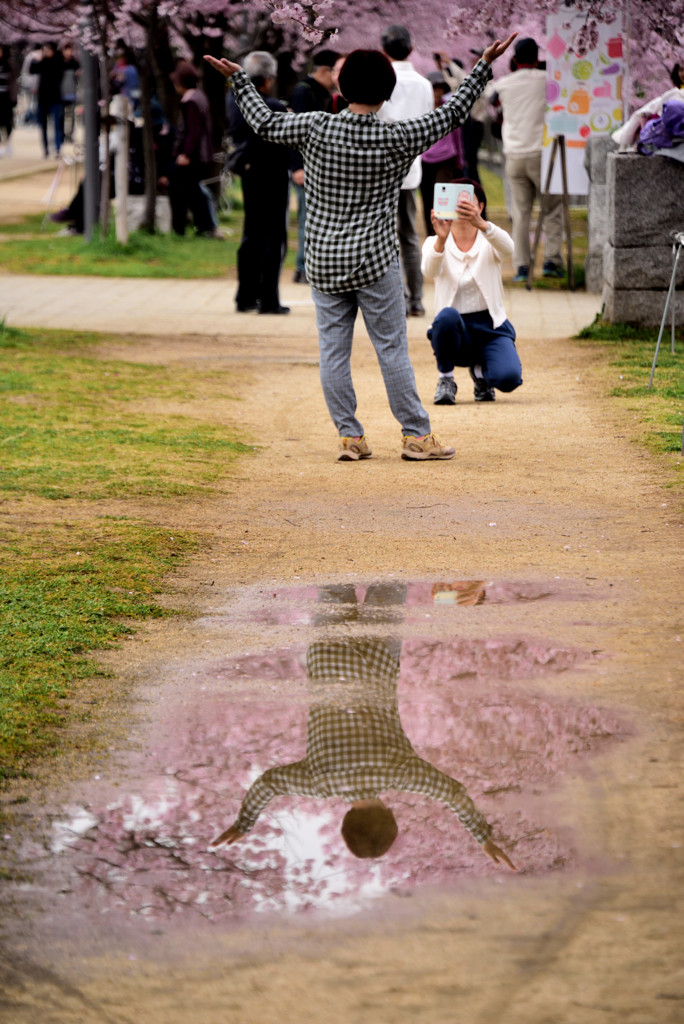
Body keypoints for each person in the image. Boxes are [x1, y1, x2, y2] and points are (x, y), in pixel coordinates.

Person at [205, 33, 516, 463]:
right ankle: (415, 435)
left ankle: (350, 437)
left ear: (341, 87)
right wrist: (482, 64)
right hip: (375, 260)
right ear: (388, 92)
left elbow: (265, 123)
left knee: (333, 351)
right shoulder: (397, 137)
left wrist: (240, 81)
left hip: (325, 260)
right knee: (391, 349)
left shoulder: (315, 126)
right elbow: (453, 113)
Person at [209, 583, 516, 870]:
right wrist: (243, 823)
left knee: (390, 577)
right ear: (346, 821)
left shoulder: (400, 773)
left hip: (377, 656)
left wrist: (484, 838)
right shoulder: (318, 782)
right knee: (335, 579)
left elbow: (455, 794)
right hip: (328, 657)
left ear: (390, 817)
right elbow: (267, 785)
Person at [422, 177, 522, 406]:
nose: (461, 206)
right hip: (454, 328)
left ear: (481, 206)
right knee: (446, 317)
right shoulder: (434, 242)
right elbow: (429, 269)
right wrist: (441, 239)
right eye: (455, 201)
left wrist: (482, 224)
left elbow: (509, 249)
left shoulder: (490, 240)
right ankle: (445, 378)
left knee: (508, 378)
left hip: (490, 326)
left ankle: (480, 373)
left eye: (467, 200)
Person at [486, 36, 563, 282]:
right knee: (552, 209)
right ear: (537, 58)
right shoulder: (548, 81)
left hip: (514, 155)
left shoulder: (504, 84)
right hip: (542, 154)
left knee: (520, 213)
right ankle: (551, 261)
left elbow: (492, 102)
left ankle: (521, 266)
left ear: (515, 59)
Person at [226, 51, 290, 315]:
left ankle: (246, 296)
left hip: (250, 174)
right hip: (272, 176)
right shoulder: (273, 108)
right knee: (273, 237)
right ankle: (269, 299)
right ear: (265, 80)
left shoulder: (232, 100)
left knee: (251, 234)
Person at [377, 25, 434, 317]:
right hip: (411, 169)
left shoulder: (380, 78)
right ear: (411, 49)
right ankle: (416, 299)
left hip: (379, 171)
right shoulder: (424, 84)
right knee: (410, 235)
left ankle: (394, 299)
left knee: (383, 236)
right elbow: (426, 126)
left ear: (384, 50)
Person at [289, 48, 339, 284]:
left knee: (316, 219)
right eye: (335, 71)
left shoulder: (323, 92)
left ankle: (312, 265)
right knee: (307, 219)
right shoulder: (304, 91)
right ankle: (302, 268)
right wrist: (298, 167)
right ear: (323, 70)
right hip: (305, 167)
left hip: (320, 166)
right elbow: (295, 131)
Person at [162, 60, 214, 237]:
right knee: (192, 191)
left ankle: (182, 228)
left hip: (192, 156)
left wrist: (185, 154)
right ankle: (203, 227)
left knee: (178, 189)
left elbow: (193, 130)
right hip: (199, 155)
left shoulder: (190, 100)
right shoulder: (199, 96)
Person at [420, 72, 465, 236]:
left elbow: (457, 136)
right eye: (434, 89)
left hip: (446, 159)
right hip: (424, 159)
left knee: (444, 200)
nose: (437, 93)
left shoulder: (449, 109)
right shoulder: (421, 109)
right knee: (427, 199)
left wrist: (460, 158)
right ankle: (431, 235)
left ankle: (445, 233)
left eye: (440, 89)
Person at [30, 41, 64, 158]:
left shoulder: (58, 61)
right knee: (43, 125)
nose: (46, 52)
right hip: (43, 98)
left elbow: (60, 75)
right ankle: (45, 149)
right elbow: (32, 70)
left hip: (55, 98)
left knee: (56, 124)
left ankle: (57, 148)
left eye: (48, 50)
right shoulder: (41, 62)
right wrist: (37, 59)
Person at [60, 42, 80, 143]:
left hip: (72, 91)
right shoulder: (59, 62)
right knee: (61, 115)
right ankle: (62, 134)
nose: (69, 52)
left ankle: (70, 134)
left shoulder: (75, 63)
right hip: (61, 92)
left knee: (72, 115)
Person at [0, 44, 16, 157]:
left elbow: (14, 84)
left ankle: (7, 143)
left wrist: (14, 98)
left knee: (8, 122)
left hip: (7, 99)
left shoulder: (9, 66)